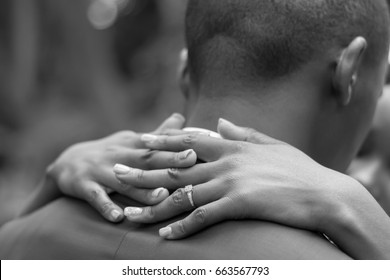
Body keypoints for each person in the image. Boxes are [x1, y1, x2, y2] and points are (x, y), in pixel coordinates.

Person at [1, 0, 390, 259]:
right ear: (348, 71)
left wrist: (43, 197)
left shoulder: (22, 239)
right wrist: (351, 204)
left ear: (185, 70)